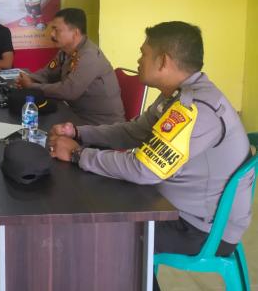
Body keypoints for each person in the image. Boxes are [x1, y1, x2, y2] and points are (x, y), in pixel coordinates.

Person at [47, 21, 253, 291]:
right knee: (97, 206)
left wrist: (77, 155)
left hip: (199, 229)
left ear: (163, 61)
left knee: (102, 235)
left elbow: (144, 169)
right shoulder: (175, 96)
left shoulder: (195, 109)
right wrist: (79, 133)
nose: (138, 60)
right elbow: (133, 132)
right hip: (176, 206)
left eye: (144, 53)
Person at [15, 8, 125, 125]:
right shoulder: (65, 51)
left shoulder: (89, 56)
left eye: (57, 30)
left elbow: (68, 91)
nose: (52, 34)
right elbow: (48, 72)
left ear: (75, 33)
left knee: (35, 124)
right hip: (75, 114)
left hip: (99, 124)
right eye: (52, 29)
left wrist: (32, 86)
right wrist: (29, 78)